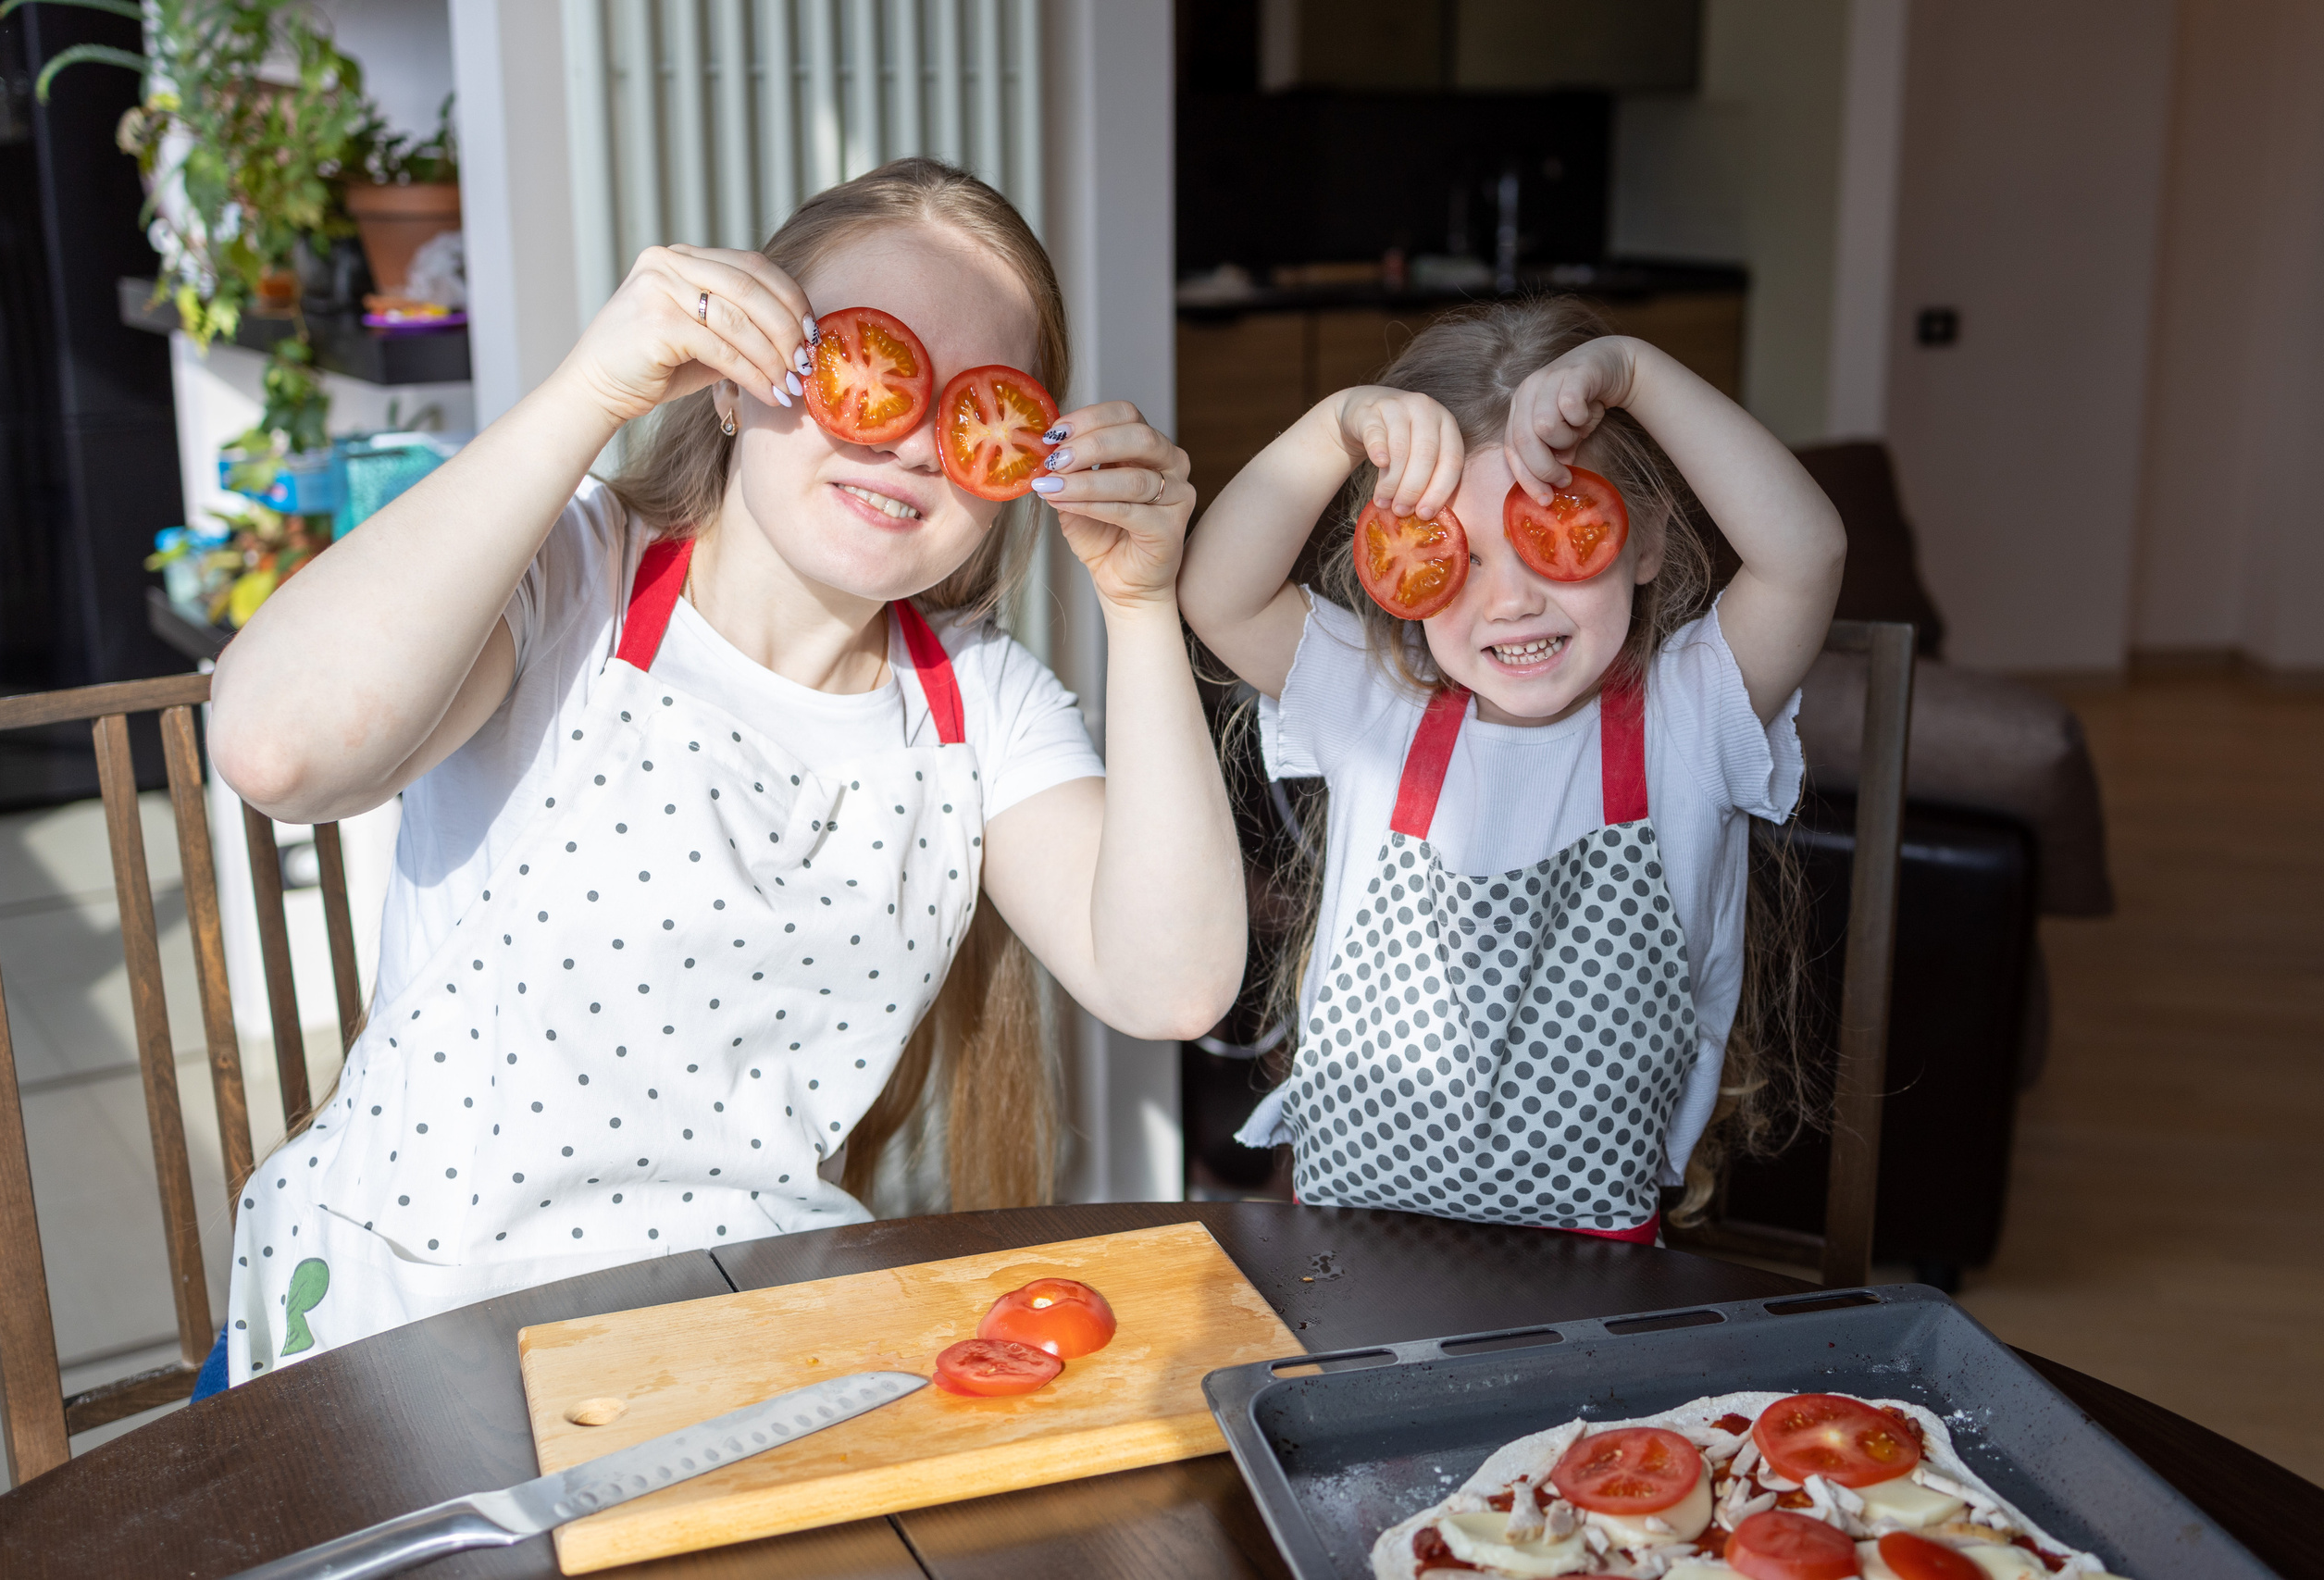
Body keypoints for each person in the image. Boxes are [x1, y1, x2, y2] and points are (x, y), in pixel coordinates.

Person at [203, 158, 1243, 1387]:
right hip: (403, 1320)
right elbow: (281, 748)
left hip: (732, 1339)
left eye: (976, 411)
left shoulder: (977, 701)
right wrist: (594, 387)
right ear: (742, 386)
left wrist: (1138, 602)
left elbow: (1174, 983)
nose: (910, 437)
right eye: (869, 368)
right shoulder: (572, 575)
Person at [1177, 297, 1844, 1241]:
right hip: (1341, 1243)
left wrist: (1636, 375)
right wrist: (1338, 425)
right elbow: (1217, 589)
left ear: (1646, 540)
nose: (1513, 601)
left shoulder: (1688, 720)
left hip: (1593, 1261)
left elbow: (1806, 554)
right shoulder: (1374, 710)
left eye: (1560, 534)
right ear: (1392, 567)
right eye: (1458, 554)